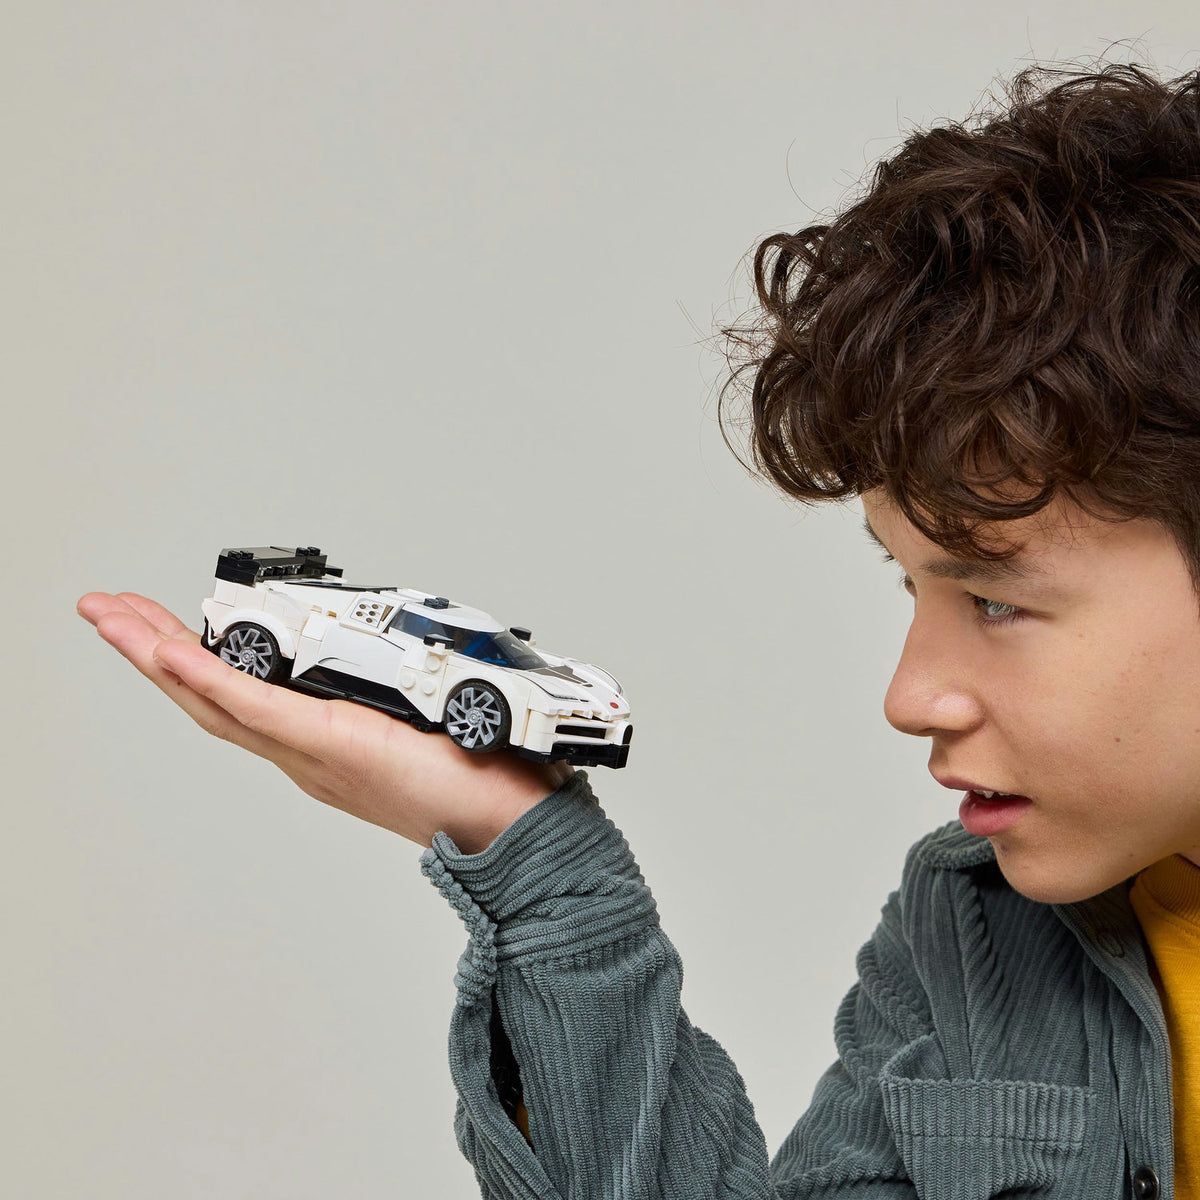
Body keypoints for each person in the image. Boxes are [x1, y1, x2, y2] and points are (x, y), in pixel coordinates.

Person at [77, 60, 1200, 1199]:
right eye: (911, 589)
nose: (910, 696)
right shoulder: (970, 937)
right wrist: (535, 862)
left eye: (996, 600)